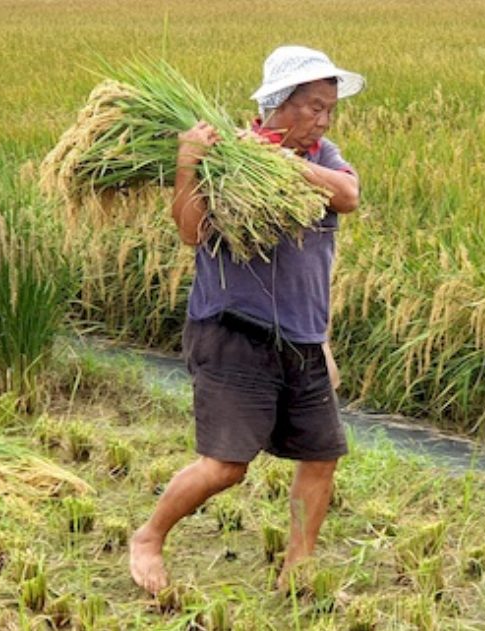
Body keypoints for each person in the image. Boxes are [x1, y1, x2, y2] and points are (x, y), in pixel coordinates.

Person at [129, 45, 364, 595]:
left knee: (320, 457)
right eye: (314, 107)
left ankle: (297, 567)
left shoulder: (322, 156)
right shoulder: (228, 160)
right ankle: (148, 537)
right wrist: (189, 160)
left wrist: (281, 160)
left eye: (330, 109)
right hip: (235, 329)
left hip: (304, 337)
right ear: (279, 102)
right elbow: (191, 232)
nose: (323, 120)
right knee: (226, 466)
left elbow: (348, 195)